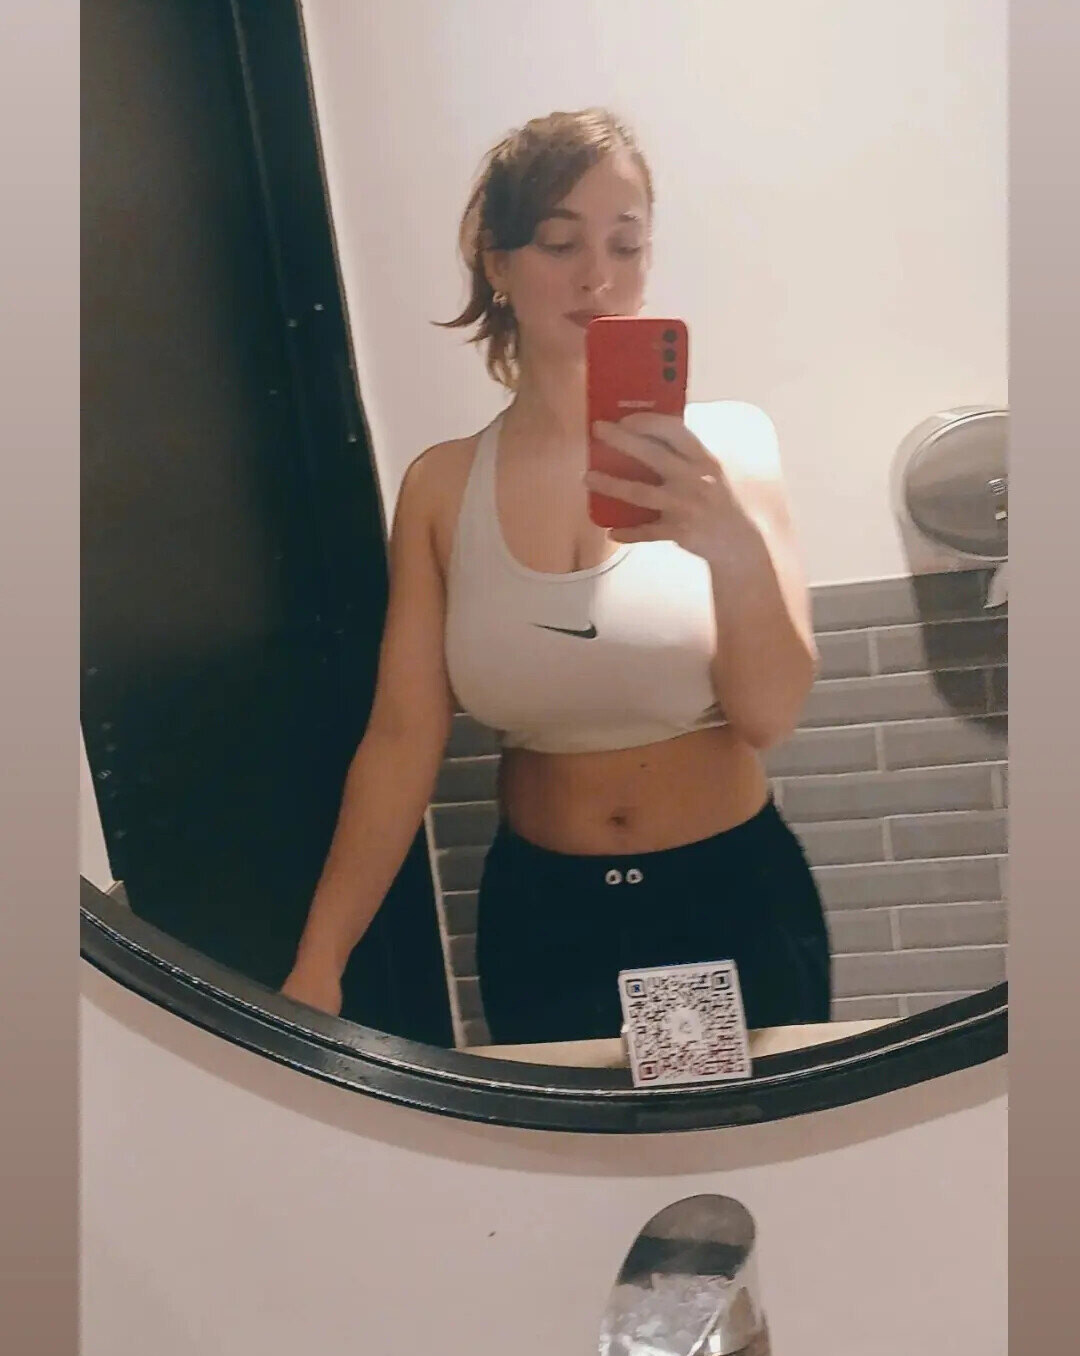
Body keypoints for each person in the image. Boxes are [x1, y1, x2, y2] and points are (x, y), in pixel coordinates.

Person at [281, 108, 831, 1043]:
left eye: (626, 243)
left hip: (724, 898)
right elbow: (403, 738)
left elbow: (770, 715)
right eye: (560, 242)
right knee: (567, 1145)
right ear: (497, 263)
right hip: (545, 915)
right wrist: (320, 960)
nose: (597, 276)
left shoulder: (730, 449)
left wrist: (730, 543)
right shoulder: (442, 488)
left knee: (736, 1138)